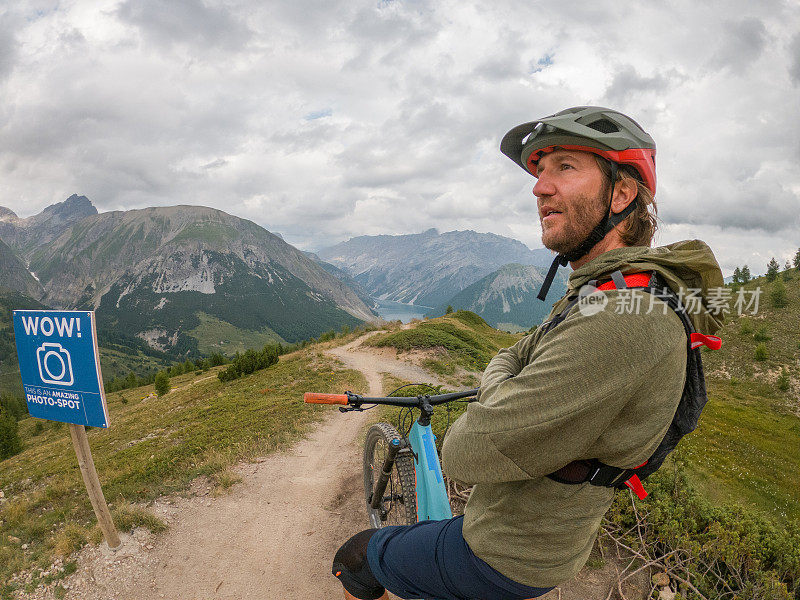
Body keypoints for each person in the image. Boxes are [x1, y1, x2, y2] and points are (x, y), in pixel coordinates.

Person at [331, 106, 724, 600]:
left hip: (503, 554)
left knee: (354, 558)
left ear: (622, 192)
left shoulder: (624, 317)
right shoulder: (603, 292)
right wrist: (510, 385)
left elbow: (464, 454)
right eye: (540, 172)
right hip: (542, 540)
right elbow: (512, 355)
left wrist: (500, 397)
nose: (539, 188)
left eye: (564, 167)